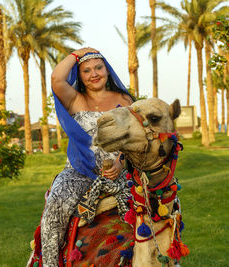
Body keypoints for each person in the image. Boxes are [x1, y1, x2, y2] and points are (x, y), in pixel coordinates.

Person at [40, 47, 134, 266]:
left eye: (98, 68)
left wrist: (120, 162)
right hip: (78, 174)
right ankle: (50, 263)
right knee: (55, 207)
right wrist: (77, 54)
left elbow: (131, 136)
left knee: (153, 205)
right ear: (79, 76)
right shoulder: (75, 99)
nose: (94, 74)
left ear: (107, 70)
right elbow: (56, 77)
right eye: (86, 70)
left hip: (117, 175)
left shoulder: (124, 99)